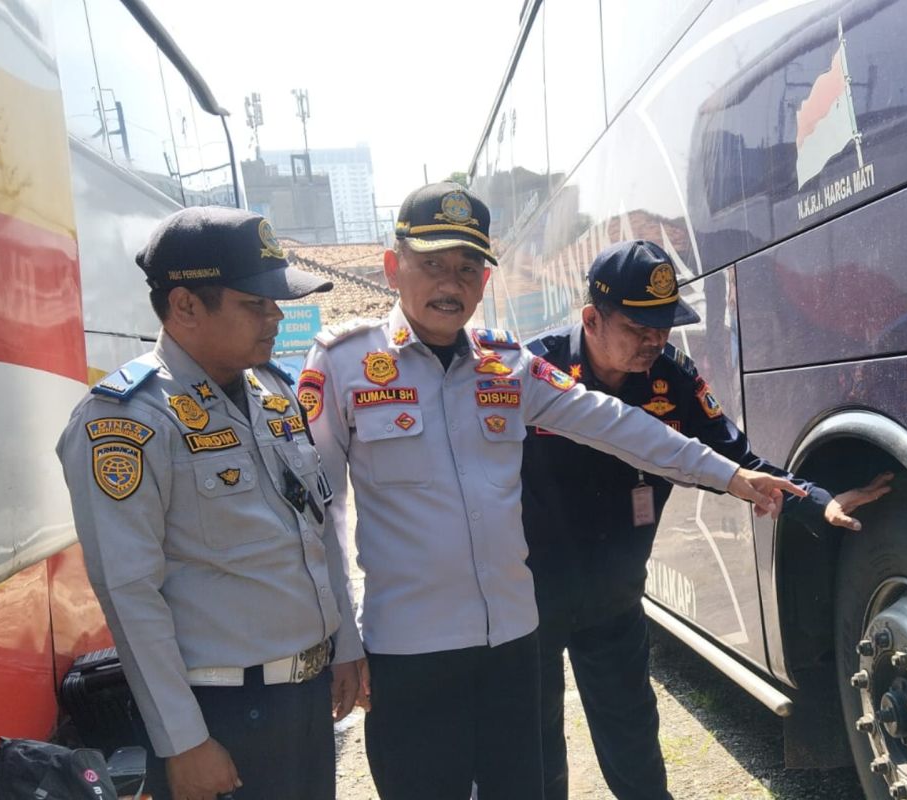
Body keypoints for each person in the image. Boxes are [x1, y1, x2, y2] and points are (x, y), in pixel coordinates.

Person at [300, 182, 802, 800]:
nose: (449, 283)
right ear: (392, 267)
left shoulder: (506, 366)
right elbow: (319, 515)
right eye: (431, 265)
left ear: (484, 282)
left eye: (466, 268)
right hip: (409, 652)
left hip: (512, 645)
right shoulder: (344, 364)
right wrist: (341, 641)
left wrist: (731, 475)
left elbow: (618, 425)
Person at [521, 239, 895, 800]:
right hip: (529, 596)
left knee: (635, 746)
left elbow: (736, 459)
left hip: (614, 595)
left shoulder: (671, 377)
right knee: (534, 750)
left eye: (664, 327)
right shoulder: (533, 371)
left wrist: (818, 499)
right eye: (639, 328)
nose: (655, 342)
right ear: (592, 320)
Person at [56, 207, 365, 800]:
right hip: (218, 716)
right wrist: (184, 740)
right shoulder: (127, 419)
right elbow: (129, 592)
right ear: (185, 306)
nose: (276, 315)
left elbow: (317, 530)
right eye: (255, 302)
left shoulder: (272, 392)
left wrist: (344, 647)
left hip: (304, 699)